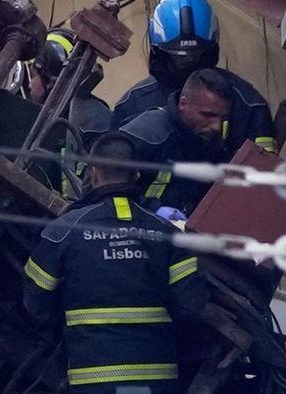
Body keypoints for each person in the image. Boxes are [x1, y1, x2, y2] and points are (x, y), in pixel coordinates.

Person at [22, 133, 203, 393]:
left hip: (94, 379)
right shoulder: (167, 233)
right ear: (137, 175)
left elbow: (36, 301)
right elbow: (191, 304)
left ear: (94, 174)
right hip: (156, 379)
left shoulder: (63, 231)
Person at [112, 0, 275, 154]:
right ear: (158, 52)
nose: (188, 64)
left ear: (211, 50)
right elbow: (109, 170)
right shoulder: (133, 104)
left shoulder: (248, 104)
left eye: (196, 55)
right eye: (178, 58)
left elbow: (264, 168)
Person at [119, 68, 238, 216]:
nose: (217, 126)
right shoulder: (145, 136)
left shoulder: (211, 142)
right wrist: (153, 210)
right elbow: (106, 193)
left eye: (223, 117)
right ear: (183, 104)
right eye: (208, 114)